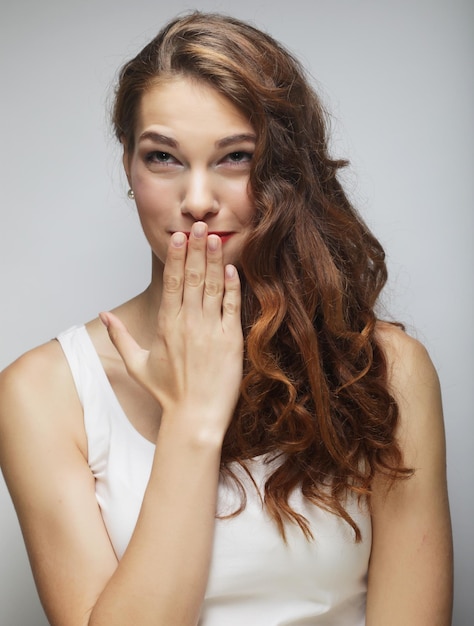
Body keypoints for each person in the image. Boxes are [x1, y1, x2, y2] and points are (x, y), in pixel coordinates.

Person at [0, 11, 453, 626]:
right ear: (129, 166)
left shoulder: (385, 370)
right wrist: (192, 419)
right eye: (163, 157)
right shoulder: (42, 391)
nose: (196, 201)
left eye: (236, 157)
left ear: (286, 173)